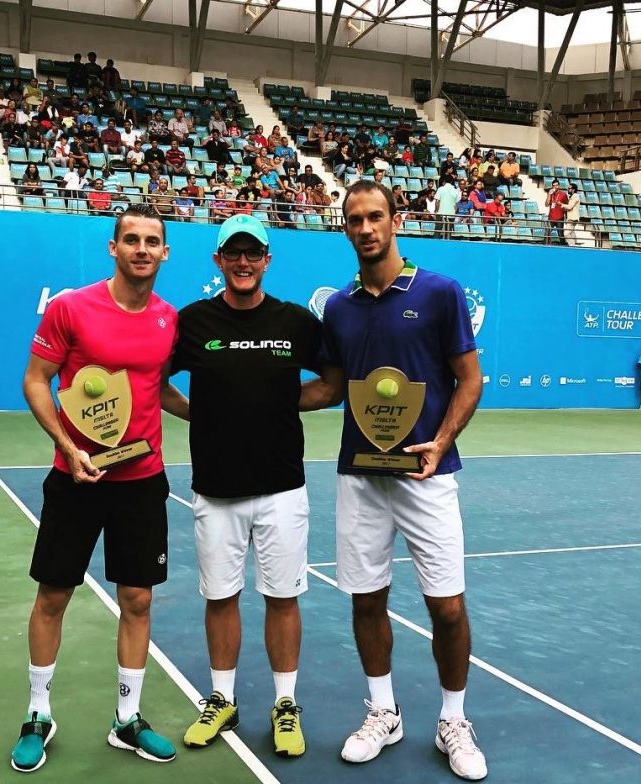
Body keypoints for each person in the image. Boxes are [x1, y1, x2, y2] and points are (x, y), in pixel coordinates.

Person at [300, 180, 487, 781]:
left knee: (448, 607)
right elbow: (330, 387)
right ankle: (384, 711)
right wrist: (255, 398)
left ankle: (453, 719)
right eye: (354, 219)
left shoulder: (439, 292)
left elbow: (470, 379)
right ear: (345, 228)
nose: (365, 228)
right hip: (360, 476)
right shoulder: (339, 308)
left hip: (428, 475)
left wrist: (443, 440)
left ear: (395, 220)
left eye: (375, 216)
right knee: (367, 598)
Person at [12, 207, 187, 773]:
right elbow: (36, 380)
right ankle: (38, 714)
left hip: (143, 482)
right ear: (114, 248)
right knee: (53, 595)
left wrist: (214, 416)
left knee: (138, 600)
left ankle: (127, 720)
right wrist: (68, 446)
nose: (141, 249)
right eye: (131, 239)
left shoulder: (168, 318)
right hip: (76, 479)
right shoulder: (71, 307)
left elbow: (158, 388)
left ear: (165, 253)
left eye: (152, 241)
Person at [173, 214, 320, 758]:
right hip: (216, 489)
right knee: (220, 597)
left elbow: (332, 381)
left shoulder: (296, 321)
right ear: (218, 260)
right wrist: (201, 413)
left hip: (282, 488)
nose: (242, 262)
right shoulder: (192, 322)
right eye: (232, 253)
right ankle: (222, 699)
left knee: (282, 598)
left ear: (266, 260)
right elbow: (155, 382)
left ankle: (285, 704)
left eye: (252, 253)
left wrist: (282, 403)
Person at [545, 179, 568, 245]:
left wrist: (566, 216)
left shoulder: (563, 194)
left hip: (560, 217)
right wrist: (549, 194)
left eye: (556, 185)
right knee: (547, 233)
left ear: (559, 186)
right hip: (551, 217)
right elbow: (546, 204)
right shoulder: (550, 193)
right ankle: (545, 246)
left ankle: (563, 247)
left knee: (560, 234)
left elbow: (567, 205)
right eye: (554, 185)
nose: (555, 187)